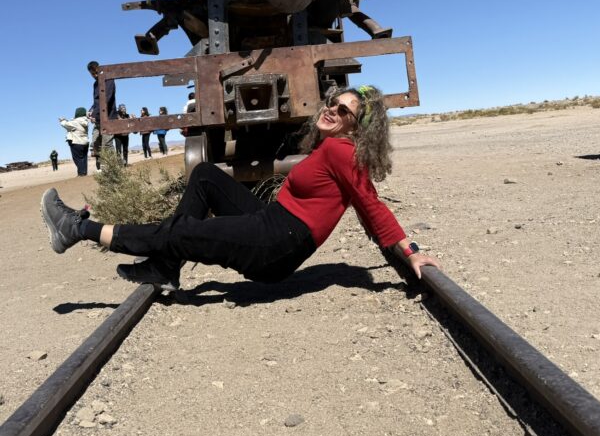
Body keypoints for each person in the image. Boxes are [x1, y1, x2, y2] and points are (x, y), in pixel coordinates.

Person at [41, 85, 440, 292]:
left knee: (182, 232)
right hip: (271, 223)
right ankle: (164, 267)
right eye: (333, 102)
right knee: (205, 177)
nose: (331, 109)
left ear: (357, 126)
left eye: (343, 111)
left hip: (276, 246)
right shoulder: (332, 146)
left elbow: (371, 207)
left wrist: (409, 253)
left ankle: (78, 229)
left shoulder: (342, 152)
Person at [87, 61, 116, 170]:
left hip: (109, 117)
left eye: (95, 73)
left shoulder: (109, 80)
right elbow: (96, 102)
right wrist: (91, 111)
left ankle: (111, 168)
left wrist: (94, 113)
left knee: (107, 144)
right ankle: (100, 168)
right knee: (95, 143)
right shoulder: (95, 84)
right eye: (92, 74)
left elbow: (106, 99)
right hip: (98, 119)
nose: (94, 76)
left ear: (99, 69)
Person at [58, 108, 90, 176]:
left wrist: (62, 120)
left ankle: (81, 174)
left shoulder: (75, 122)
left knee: (77, 159)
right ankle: (83, 173)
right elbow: (71, 125)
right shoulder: (85, 121)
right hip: (85, 142)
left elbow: (65, 125)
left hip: (77, 142)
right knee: (84, 158)